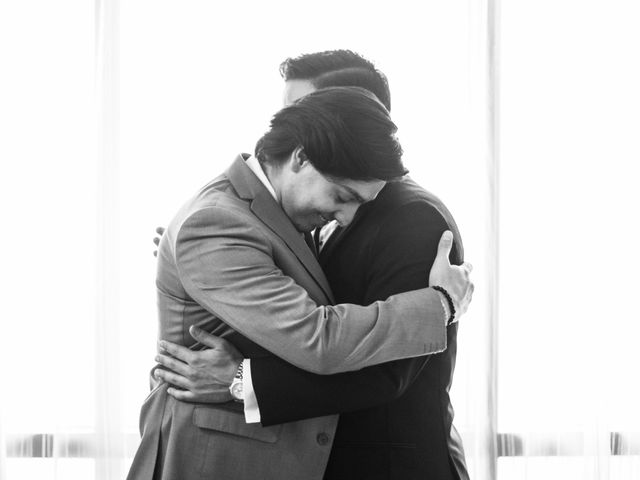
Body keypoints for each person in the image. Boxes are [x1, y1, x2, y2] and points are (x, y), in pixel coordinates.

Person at [152, 50, 471, 480]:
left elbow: (387, 373)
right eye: (341, 197)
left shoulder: (408, 217)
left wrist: (240, 379)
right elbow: (317, 336)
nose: (346, 215)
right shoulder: (226, 219)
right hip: (217, 455)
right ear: (302, 156)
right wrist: (442, 304)